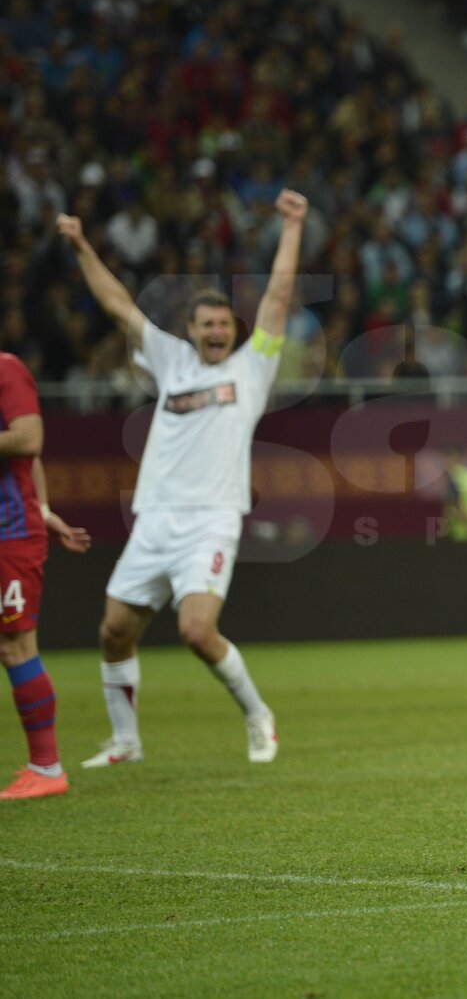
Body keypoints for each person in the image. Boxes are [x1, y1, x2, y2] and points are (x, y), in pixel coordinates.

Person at [55, 189, 310, 768]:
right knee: (114, 632)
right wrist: (81, 247)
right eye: (206, 325)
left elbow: (278, 294)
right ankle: (125, 741)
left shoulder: (254, 365)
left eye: (224, 324)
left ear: (234, 329)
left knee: (196, 631)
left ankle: (256, 714)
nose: (216, 332)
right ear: (191, 330)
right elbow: (119, 304)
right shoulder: (172, 361)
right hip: (154, 520)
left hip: (211, 520)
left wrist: (292, 227)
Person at [0, 349, 92, 799]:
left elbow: (27, 441)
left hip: (8, 533)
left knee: (14, 645)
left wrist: (37, 512)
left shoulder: (6, 369)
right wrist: (46, 508)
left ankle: (48, 767)